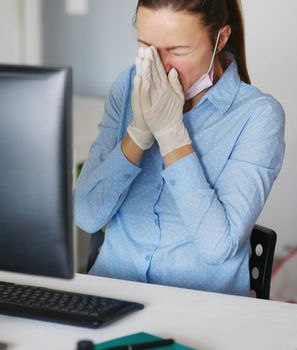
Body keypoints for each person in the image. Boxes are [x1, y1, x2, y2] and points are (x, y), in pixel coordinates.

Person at [74, 0, 285, 296]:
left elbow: (218, 246)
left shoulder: (258, 116)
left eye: (178, 50)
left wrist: (172, 136)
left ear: (220, 39)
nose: (159, 67)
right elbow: (86, 215)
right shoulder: (128, 86)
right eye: (147, 47)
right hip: (109, 297)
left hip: (198, 310)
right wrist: (138, 134)